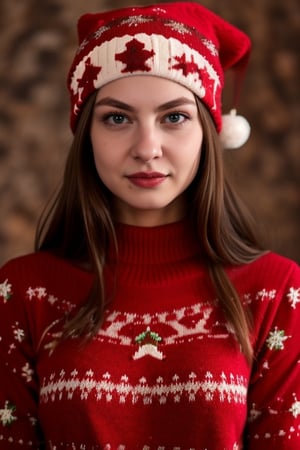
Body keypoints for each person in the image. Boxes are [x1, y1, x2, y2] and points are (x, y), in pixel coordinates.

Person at [0, 2, 299, 449]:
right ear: (87, 135)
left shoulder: (274, 291)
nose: (147, 148)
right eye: (117, 118)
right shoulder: (24, 290)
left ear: (210, 132)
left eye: (174, 117)